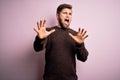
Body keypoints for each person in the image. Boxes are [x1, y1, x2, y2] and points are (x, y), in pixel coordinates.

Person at [33, 3, 89, 80]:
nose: (68, 16)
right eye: (65, 13)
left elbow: (83, 58)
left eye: (70, 14)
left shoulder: (76, 35)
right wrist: (40, 39)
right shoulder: (48, 32)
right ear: (57, 16)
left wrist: (80, 44)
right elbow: (37, 48)